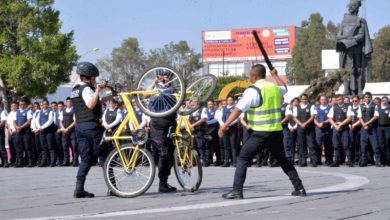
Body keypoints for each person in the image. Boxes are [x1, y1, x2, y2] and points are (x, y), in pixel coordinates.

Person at [219, 64, 305, 199]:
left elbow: (237, 110)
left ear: (254, 76)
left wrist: (224, 125)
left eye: (249, 76)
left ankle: (237, 191)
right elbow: (285, 88)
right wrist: (275, 75)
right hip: (276, 132)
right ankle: (299, 188)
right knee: (283, 160)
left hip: (260, 133)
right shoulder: (274, 88)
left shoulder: (252, 90)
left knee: (242, 158)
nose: (249, 78)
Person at [71, 62, 106, 198]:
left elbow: (93, 102)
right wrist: (97, 90)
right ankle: (113, 187)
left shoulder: (75, 89)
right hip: (92, 126)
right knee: (104, 155)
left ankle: (79, 188)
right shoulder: (87, 89)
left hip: (80, 127)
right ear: (88, 77)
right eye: (94, 78)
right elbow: (90, 104)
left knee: (86, 158)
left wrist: (107, 96)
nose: (95, 80)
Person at [328, 95, 353, 167]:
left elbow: (349, 118)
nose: (339, 101)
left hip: (344, 127)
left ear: (343, 99)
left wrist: (340, 125)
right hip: (336, 128)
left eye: (340, 99)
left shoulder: (348, 106)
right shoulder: (334, 107)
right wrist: (336, 126)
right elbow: (330, 118)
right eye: (338, 100)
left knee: (346, 145)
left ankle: (350, 161)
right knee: (336, 145)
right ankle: (336, 161)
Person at [358, 92, 383, 167]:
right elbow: (359, 117)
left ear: (370, 98)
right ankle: (364, 161)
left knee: (375, 145)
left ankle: (378, 161)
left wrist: (367, 123)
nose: (367, 98)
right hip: (364, 128)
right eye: (366, 97)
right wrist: (364, 125)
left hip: (372, 128)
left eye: (368, 97)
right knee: (363, 145)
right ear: (364, 98)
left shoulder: (374, 106)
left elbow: (376, 116)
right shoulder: (361, 106)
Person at [293, 94, 318, 167]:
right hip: (300, 128)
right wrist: (301, 124)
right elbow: (294, 117)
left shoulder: (311, 106)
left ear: (307, 99)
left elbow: (312, 116)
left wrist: (305, 123)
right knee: (301, 145)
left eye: (305, 99)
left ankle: (314, 161)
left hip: (309, 128)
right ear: (301, 99)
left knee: (311, 145)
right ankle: (303, 161)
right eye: (303, 99)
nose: (304, 100)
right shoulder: (297, 107)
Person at [218, 96, 239, 167]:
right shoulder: (223, 109)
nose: (229, 101)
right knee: (226, 145)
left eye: (231, 100)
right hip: (224, 129)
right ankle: (226, 161)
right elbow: (220, 118)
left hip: (233, 128)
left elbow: (237, 119)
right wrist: (224, 125)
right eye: (228, 100)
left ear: (233, 101)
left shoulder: (235, 108)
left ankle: (234, 162)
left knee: (233, 145)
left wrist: (228, 124)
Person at [313, 95, 333, 166]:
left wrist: (324, 122)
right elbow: (314, 118)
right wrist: (318, 124)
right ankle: (318, 160)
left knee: (328, 145)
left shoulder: (330, 108)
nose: (323, 101)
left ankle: (329, 160)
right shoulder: (316, 108)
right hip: (318, 128)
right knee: (318, 144)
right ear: (320, 101)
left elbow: (331, 118)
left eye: (324, 99)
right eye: (322, 100)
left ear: (326, 100)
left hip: (327, 128)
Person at [13, 100, 33, 167]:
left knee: (27, 146)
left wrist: (21, 127)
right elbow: (14, 121)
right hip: (18, 131)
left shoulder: (28, 111)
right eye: (21, 104)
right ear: (19, 105)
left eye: (23, 104)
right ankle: (20, 162)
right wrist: (16, 127)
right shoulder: (16, 112)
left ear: (25, 105)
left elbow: (29, 121)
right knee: (19, 147)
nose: (22, 105)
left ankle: (29, 162)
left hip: (26, 131)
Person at [36, 99, 56, 167]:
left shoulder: (50, 111)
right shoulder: (40, 112)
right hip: (42, 132)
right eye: (43, 104)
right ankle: (44, 161)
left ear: (48, 104)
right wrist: (39, 127)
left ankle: (52, 161)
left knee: (50, 146)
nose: (44, 105)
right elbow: (37, 121)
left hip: (48, 131)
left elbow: (50, 121)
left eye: (45, 104)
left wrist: (42, 127)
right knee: (43, 147)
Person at [201, 100, 221, 166]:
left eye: (211, 104)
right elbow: (203, 117)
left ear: (213, 104)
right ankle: (209, 160)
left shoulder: (217, 110)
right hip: (207, 130)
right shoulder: (205, 110)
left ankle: (218, 160)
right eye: (208, 104)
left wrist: (207, 122)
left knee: (216, 146)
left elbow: (216, 119)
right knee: (208, 146)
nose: (210, 105)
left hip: (214, 130)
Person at [59, 97, 78, 167]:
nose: (69, 103)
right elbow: (60, 121)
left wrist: (68, 128)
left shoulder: (74, 110)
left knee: (74, 146)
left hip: (72, 131)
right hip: (64, 131)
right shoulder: (63, 110)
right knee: (65, 146)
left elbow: (75, 121)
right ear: (66, 103)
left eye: (70, 102)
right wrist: (63, 128)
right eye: (67, 102)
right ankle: (66, 161)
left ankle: (75, 161)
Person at [377, 96, 390, 165]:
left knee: (388, 142)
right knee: (381, 143)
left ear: (387, 101)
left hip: (387, 127)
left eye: (385, 100)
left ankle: (388, 159)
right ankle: (383, 159)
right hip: (380, 127)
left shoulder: (389, 107)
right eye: (383, 100)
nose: (384, 101)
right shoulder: (378, 108)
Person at [349, 96, 362, 163]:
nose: (354, 102)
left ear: (359, 101)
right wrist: (350, 126)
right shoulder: (350, 108)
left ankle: (360, 159)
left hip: (359, 127)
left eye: (356, 101)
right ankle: (351, 159)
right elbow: (348, 118)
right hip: (351, 128)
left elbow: (361, 119)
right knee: (351, 144)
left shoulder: (361, 108)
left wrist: (354, 125)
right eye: (353, 101)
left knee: (360, 144)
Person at [6, 102, 18, 166]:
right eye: (12, 106)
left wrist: (14, 130)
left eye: (14, 106)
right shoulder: (9, 114)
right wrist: (9, 131)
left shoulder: (18, 113)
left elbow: (17, 123)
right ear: (10, 107)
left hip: (16, 132)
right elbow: (8, 124)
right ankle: (12, 160)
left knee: (17, 147)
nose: (13, 107)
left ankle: (17, 160)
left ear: (17, 106)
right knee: (11, 147)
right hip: (10, 133)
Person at [52, 101, 64, 166]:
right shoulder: (54, 113)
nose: (54, 107)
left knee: (63, 146)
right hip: (56, 132)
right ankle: (59, 159)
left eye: (55, 106)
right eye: (52, 106)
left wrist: (61, 129)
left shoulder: (63, 112)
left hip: (63, 130)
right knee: (58, 146)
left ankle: (64, 159)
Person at [30, 101, 41, 166]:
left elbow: (38, 122)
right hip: (34, 131)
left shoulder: (40, 112)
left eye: (37, 106)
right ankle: (36, 160)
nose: (35, 107)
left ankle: (40, 160)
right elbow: (33, 122)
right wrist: (33, 129)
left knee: (39, 147)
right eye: (35, 106)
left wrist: (36, 130)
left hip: (39, 131)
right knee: (34, 147)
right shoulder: (34, 113)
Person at [0, 101, 9, 167]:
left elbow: (3, 122)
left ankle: (5, 161)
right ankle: (2, 162)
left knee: (1, 148)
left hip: (0, 132)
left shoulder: (2, 111)